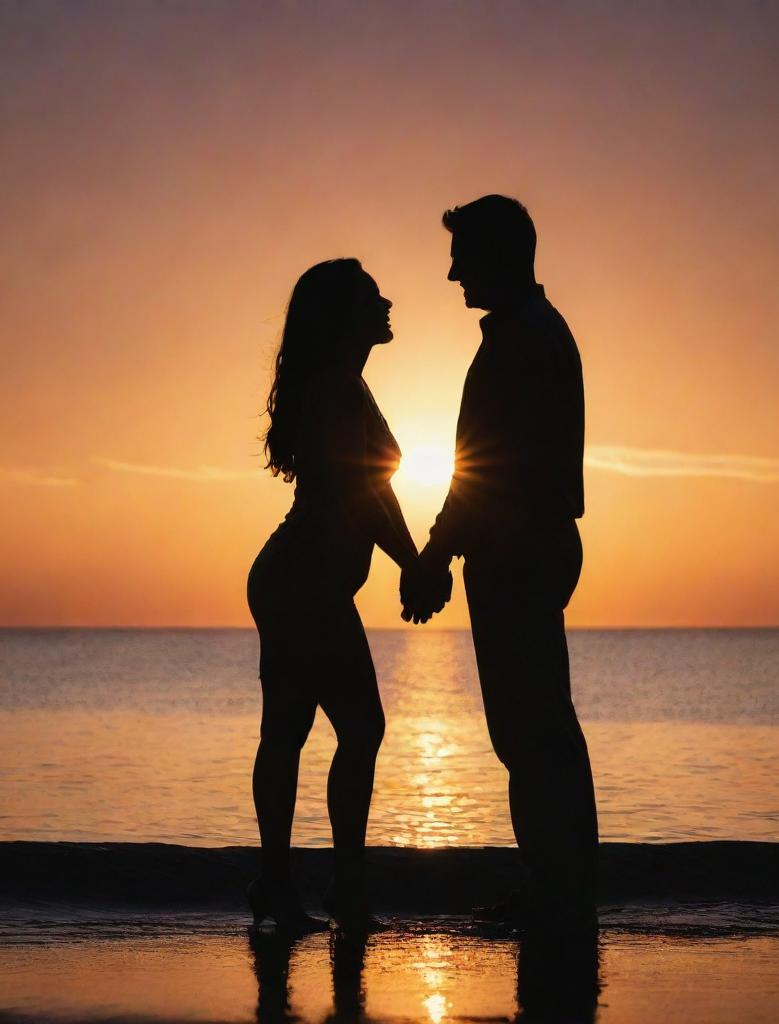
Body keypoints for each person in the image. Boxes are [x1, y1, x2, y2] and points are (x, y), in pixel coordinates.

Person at [402, 195, 599, 931]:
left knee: (530, 731)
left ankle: (559, 893)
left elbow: (487, 470)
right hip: (524, 546)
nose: (451, 271)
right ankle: (559, 887)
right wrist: (447, 548)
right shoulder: (529, 336)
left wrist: (435, 551)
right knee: (536, 728)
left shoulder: (522, 341)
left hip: (519, 549)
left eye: (463, 255)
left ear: (500, 255)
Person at [248, 258, 451, 932]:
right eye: (372, 298)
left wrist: (414, 561)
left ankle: (302, 887)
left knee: (304, 732)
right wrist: (415, 564)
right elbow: (359, 493)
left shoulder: (347, 386)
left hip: (306, 581)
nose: (387, 302)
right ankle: (329, 888)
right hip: (301, 580)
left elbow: (374, 488)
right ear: (344, 316)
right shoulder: (336, 388)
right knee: (340, 729)